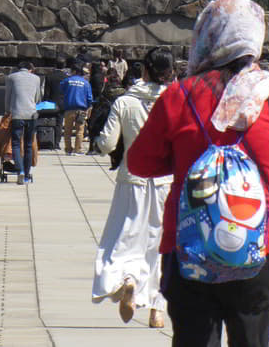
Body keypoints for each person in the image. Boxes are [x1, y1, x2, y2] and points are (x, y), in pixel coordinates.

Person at [127, 0, 269, 347]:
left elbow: (140, 162)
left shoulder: (178, 96)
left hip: (189, 243)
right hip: (260, 244)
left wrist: (182, 162)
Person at [92, 48, 174, 328]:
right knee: (160, 245)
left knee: (122, 240)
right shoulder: (174, 101)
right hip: (166, 183)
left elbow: (106, 143)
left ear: (144, 70)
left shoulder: (124, 102)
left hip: (132, 180)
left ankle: (127, 279)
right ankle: (157, 310)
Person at [5, 61, 42, 184]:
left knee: (15, 143)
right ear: (30, 69)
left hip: (16, 114)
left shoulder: (11, 78)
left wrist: (7, 111)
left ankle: (19, 170)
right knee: (28, 145)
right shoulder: (36, 79)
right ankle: (26, 175)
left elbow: (8, 96)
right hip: (31, 115)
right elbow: (37, 98)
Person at [60, 63, 93, 155]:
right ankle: (77, 149)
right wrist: (89, 106)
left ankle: (68, 149)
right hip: (81, 109)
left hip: (69, 108)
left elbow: (61, 89)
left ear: (74, 71)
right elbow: (89, 97)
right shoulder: (86, 83)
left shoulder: (66, 81)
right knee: (80, 130)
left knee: (67, 130)